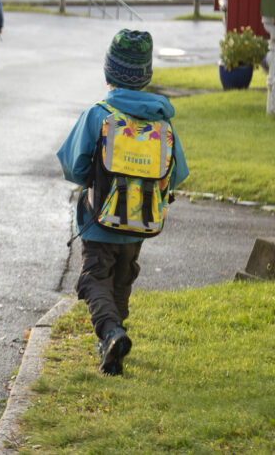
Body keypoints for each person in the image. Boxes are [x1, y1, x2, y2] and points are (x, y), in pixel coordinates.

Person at [56, 30, 188, 376]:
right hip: (139, 223)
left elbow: (73, 165)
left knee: (92, 279)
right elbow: (176, 173)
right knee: (121, 280)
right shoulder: (162, 121)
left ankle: (111, 333)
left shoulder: (99, 115)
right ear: (145, 76)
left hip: (100, 220)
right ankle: (113, 345)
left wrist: (92, 177)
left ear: (108, 73)